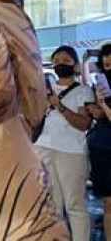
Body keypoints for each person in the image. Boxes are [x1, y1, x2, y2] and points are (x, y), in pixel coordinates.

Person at [34, 45, 95, 241]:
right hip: (43, 148)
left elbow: (84, 124)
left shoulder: (83, 91)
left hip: (71, 152)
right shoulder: (44, 90)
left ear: (76, 66)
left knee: (74, 204)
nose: (60, 64)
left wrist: (60, 107)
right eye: (57, 61)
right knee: (52, 204)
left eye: (66, 61)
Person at [86, 43, 111, 239]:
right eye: (105, 56)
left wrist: (103, 106)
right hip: (102, 147)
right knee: (108, 202)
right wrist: (97, 110)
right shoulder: (102, 82)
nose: (107, 59)